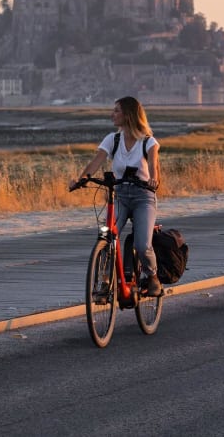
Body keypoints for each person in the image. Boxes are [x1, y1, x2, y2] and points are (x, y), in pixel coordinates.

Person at [71, 96, 162, 297]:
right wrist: (81, 179)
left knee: (142, 244)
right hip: (119, 195)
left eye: (116, 111)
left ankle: (153, 276)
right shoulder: (113, 139)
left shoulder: (148, 142)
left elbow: (154, 165)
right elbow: (96, 162)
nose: (112, 115)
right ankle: (104, 279)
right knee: (107, 236)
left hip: (142, 197)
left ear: (128, 115)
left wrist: (153, 180)